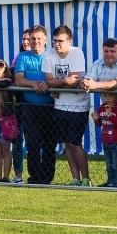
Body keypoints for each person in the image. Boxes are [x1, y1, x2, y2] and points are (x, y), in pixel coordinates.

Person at [80, 37, 117, 185]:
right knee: (111, 149)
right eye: (106, 51)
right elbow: (87, 79)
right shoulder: (98, 63)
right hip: (108, 113)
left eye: (113, 51)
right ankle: (114, 181)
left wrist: (95, 84)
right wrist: (85, 82)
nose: (109, 54)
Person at [43, 25, 91, 186]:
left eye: (60, 41)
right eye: (54, 41)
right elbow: (50, 81)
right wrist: (63, 81)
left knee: (75, 143)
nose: (56, 44)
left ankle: (86, 179)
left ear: (69, 41)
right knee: (67, 144)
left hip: (78, 106)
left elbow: (75, 81)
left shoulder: (77, 53)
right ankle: (75, 178)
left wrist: (56, 87)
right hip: (59, 106)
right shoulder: (48, 54)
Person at [15, 25, 56, 184]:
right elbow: (19, 79)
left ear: (45, 40)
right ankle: (35, 176)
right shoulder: (23, 57)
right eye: (33, 39)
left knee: (49, 144)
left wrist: (48, 84)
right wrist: (33, 84)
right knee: (32, 144)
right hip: (30, 107)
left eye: (39, 39)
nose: (35, 42)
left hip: (51, 107)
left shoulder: (52, 56)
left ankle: (46, 177)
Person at [9, 28, 32, 183]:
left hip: (31, 104)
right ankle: (18, 174)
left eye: (28, 39)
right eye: (23, 39)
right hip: (17, 105)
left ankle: (35, 173)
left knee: (32, 141)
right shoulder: (17, 58)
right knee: (16, 141)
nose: (25, 42)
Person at [92, 92, 117, 187]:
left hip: (116, 141)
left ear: (116, 96)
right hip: (105, 140)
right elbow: (100, 124)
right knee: (108, 165)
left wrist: (110, 115)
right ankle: (110, 182)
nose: (108, 98)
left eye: (110, 95)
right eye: (105, 95)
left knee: (116, 164)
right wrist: (96, 119)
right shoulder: (102, 107)